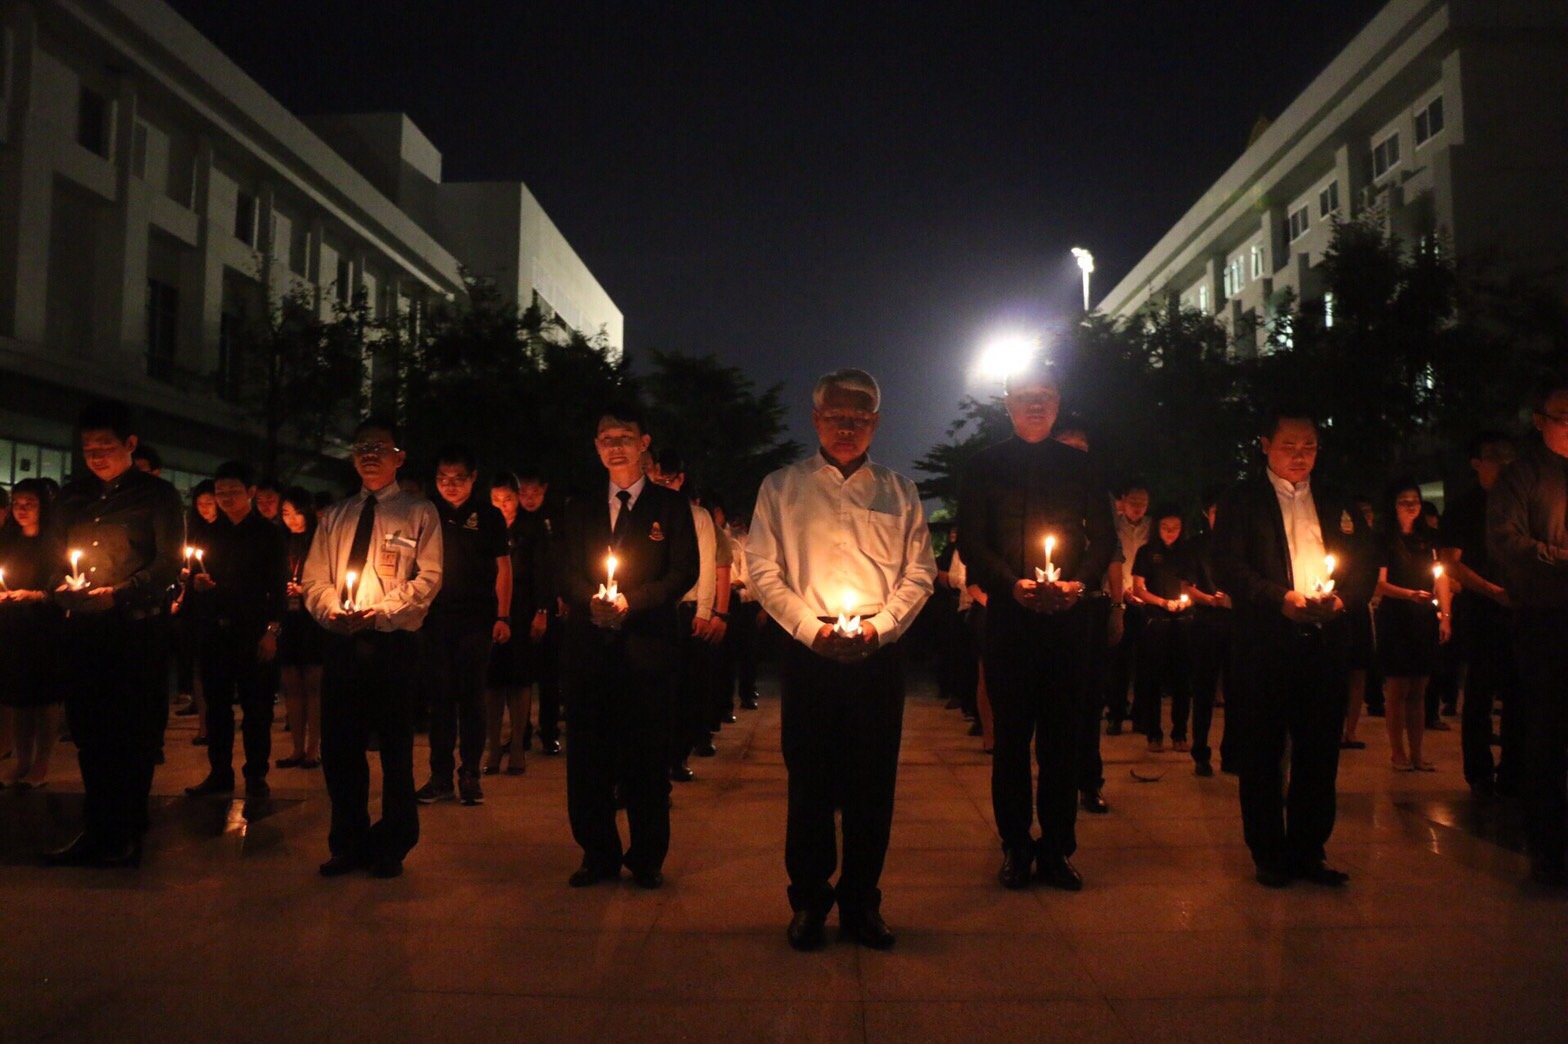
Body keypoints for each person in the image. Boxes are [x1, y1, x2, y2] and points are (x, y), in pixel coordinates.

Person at [749, 369, 934, 951]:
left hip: (877, 656)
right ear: (816, 419)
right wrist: (810, 631)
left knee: (871, 786)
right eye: (836, 416)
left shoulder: (899, 491)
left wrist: (880, 630)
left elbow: (921, 573)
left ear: (876, 422)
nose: (847, 427)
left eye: (859, 417)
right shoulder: (781, 487)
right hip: (811, 654)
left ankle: (862, 902)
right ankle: (808, 900)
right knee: (808, 783)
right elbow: (763, 570)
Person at [959, 359, 1115, 894]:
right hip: (1009, 619)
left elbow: (1105, 541)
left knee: (1061, 741)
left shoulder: (1082, 467)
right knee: (1011, 741)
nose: (1035, 405)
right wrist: (1011, 585)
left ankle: (1057, 848)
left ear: (1057, 403)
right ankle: (1015, 846)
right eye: (1025, 396)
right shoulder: (983, 465)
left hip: (1070, 620)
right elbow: (972, 542)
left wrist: (1078, 584)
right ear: (1007, 404)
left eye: (1045, 396)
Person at [1213, 405, 1369, 889]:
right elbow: (1229, 566)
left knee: (1320, 748)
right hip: (1266, 640)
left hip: (1325, 639)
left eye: (1309, 447)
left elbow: (1364, 560)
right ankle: (1268, 852)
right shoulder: (1242, 500)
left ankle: (1309, 849)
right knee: (1262, 750)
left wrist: (1341, 600)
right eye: (1289, 446)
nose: (1300, 456)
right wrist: (1278, 598)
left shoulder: (1336, 498)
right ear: (1265, 445)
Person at [559, 401, 697, 890]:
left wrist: (631, 603)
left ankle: (647, 856)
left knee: (645, 758)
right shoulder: (581, 508)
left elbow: (684, 571)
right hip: (590, 650)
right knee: (589, 759)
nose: (614, 446)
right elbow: (567, 570)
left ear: (644, 444)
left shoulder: (671, 507)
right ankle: (597, 852)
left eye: (623, 437)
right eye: (605, 438)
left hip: (648, 650)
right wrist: (591, 602)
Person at [302, 417, 442, 879]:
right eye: (361, 446)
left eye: (379, 447)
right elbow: (314, 578)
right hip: (343, 644)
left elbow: (428, 578)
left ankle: (393, 843)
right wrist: (331, 612)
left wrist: (381, 611)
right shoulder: (337, 515)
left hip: (391, 643)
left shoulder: (419, 512)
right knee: (341, 748)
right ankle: (348, 841)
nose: (369, 454)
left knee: (395, 750)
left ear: (399, 456)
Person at [48, 399, 184, 867]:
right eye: (88, 448)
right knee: (90, 731)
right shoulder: (73, 496)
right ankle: (96, 827)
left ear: (129, 444)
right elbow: (54, 557)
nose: (96, 456)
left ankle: (127, 828)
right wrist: (61, 589)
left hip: (135, 632)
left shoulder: (157, 496)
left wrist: (120, 594)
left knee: (133, 733)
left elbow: (168, 563)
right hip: (86, 632)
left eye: (105, 446)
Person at [1487, 382, 1568, 887]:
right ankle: (1548, 848)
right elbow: (1506, 542)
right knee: (1549, 735)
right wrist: (1561, 560)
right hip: (1547, 619)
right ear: (1539, 420)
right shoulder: (1522, 477)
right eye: (1563, 416)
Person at [183, 461, 288, 802]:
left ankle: (256, 775)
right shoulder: (210, 533)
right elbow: (195, 575)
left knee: (257, 709)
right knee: (216, 708)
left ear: (251, 492)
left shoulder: (269, 534)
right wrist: (196, 581)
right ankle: (219, 771)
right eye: (220, 491)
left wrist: (272, 631)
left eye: (233, 491)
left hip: (253, 632)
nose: (225, 497)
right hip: (216, 631)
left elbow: (277, 587)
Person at [417, 446, 511, 808]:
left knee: (472, 698)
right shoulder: (426, 512)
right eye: (443, 478)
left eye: (458, 478)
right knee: (439, 700)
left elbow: (503, 569)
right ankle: (440, 776)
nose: (450, 485)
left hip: (476, 619)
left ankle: (469, 773)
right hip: (434, 618)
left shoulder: (489, 516)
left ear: (473, 478)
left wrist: (502, 616)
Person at [1441, 432, 1519, 798]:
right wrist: (1491, 590)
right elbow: (1450, 564)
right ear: (1477, 463)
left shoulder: (1518, 503)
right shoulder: (1463, 508)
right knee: (1479, 693)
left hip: (1519, 610)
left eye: (1508, 457)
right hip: (1481, 611)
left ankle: (1515, 769)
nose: (1503, 465)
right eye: (1495, 457)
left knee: (1519, 692)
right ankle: (1479, 772)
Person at [647, 449, 719, 781]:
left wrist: (705, 610)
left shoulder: (698, 516)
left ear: (681, 480)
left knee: (685, 690)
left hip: (686, 609)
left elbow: (707, 565)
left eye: (669, 479)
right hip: (649, 607)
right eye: (657, 478)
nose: (663, 484)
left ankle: (676, 757)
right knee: (651, 690)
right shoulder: (644, 512)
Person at [1373, 480, 1452, 772]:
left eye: (1414, 500)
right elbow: (1379, 584)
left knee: (1420, 687)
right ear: (1392, 506)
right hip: (1396, 616)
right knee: (1397, 688)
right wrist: (1409, 594)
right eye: (1403, 501)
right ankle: (1398, 753)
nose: (1410, 506)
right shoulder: (1384, 539)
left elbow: (1440, 577)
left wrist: (1445, 615)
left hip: (1423, 619)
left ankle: (1418, 753)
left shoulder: (1428, 539)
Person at [484, 472, 551, 775]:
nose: (503, 505)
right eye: (496, 500)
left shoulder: (532, 529)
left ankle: (517, 748)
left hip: (523, 609)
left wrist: (542, 611)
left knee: (520, 680)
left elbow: (543, 572)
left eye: (508, 499)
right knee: (492, 681)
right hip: (490, 610)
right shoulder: (484, 527)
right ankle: (494, 746)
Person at [0, 479, 65, 789]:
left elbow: (61, 588)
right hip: (13, 626)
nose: (22, 509)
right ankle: (22, 761)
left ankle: (41, 763)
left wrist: (35, 595)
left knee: (44, 698)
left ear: (43, 506)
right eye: (17, 503)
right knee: (19, 698)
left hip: (45, 627)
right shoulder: (8, 540)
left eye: (30, 503)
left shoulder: (52, 542)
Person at [1130, 503, 1194, 752]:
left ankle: (1180, 733)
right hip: (1155, 622)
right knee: (1152, 679)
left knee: (1182, 679)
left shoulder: (1186, 552)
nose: (1170, 532)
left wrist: (1183, 601)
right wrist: (1162, 603)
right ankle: (1154, 733)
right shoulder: (1146, 552)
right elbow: (1138, 588)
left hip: (1182, 622)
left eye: (1175, 528)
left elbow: (1189, 584)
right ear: (1157, 528)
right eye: (1166, 528)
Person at [1184, 488, 1233, 777]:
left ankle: (1232, 752)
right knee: (1203, 690)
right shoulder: (1196, 545)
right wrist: (1209, 599)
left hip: (1235, 623)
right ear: (1207, 514)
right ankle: (1200, 752)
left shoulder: (1237, 544)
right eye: (1216, 511)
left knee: (1236, 691)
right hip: (1205, 623)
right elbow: (1187, 586)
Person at [276, 487, 324, 770]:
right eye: (285, 513)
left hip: (313, 619)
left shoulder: (319, 541)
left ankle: (313, 749)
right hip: (287, 618)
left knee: (314, 685)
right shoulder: (279, 542)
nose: (291, 519)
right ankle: (296, 748)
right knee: (291, 684)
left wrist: (306, 589)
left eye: (296, 512)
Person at [516, 470, 563, 755]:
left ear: (544, 489)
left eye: (534, 492)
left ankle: (549, 732)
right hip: (519, 607)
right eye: (523, 493)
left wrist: (547, 605)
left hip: (546, 606)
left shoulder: (554, 522)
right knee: (520, 675)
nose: (528, 499)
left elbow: (552, 567)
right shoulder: (514, 521)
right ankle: (520, 733)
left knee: (549, 675)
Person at [1103, 482, 1150, 734]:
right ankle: (1116, 712)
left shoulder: (1151, 529)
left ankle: (1140, 713)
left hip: (1144, 601)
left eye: (1143, 504)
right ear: (1123, 500)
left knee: (1144, 660)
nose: (1138, 508)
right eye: (1134, 502)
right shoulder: (1114, 527)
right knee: (1117, 661)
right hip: (1119, 599)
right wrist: (1121, 593)